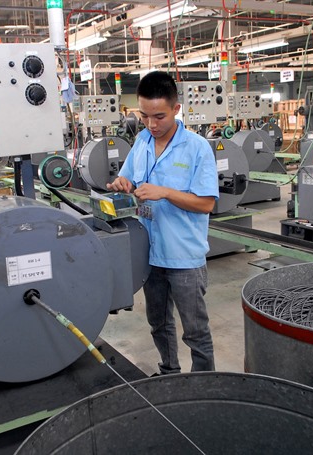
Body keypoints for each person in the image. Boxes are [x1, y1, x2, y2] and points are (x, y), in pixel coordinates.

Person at [107, 71, 218, 375]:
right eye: (144, 116)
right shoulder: (142, 140)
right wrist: (123, 183)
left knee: (195, 330)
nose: (151, 124)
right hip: (150, 252)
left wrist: (165, 192)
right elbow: (128, 178)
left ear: (176, 109)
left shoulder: (196, 148)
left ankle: (204, 383)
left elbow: (206, 203)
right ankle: (169, 372)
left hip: (184, 256)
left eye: (159, 116)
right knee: (158, 323)